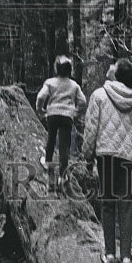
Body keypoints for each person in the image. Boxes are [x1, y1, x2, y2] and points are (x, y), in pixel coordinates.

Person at [82, 58, 132, 263]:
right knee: (126, 206)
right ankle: (127, 259)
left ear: (117, 74)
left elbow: (91, 129)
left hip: (106, 156)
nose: (109, 66)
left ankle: (110, 254)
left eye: (114, 65)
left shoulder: (99, 96)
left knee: (108, 203)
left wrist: (87, 155)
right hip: (128, 158)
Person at [36, 55, 87, 192]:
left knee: (51, 139)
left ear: (56, 69)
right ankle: (63, 176)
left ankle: (47, 163)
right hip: (67, 116)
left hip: (52, 114)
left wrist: (40, 109)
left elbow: (41, 96)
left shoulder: (50, 82)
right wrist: (76, 112)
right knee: (64, 144)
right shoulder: (74, 85)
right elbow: (83, 101)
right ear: (70, 70)